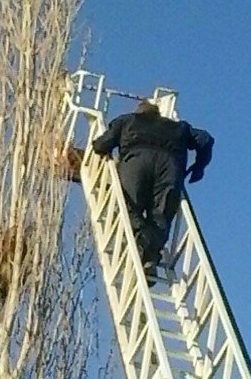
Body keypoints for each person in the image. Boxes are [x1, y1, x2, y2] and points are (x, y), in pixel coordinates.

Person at [92, 99, 214, 284]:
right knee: (161, 215)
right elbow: (205, 139)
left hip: (137, 162)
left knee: (128, 207)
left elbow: (102, 145)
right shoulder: (179, 127)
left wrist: (97, 145)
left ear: (140, 111)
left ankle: (142, 240)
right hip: (170, 167)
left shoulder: (127, 121)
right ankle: (149, 257)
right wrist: (199, 167)